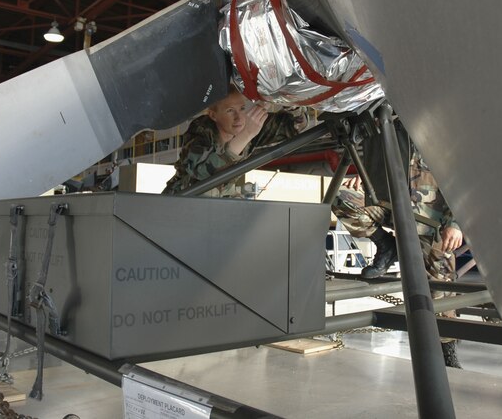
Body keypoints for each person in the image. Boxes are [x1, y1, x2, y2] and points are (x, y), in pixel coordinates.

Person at [332, 116, 465, 368]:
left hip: (431, 221)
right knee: (343, 197)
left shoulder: (442, 130)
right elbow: (370, 156)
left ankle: (447, 350)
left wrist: (455, 224)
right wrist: (363, 177)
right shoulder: (384, 122)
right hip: (390, 206)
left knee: (440, 292)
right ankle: (386, 245)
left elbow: (462, 178)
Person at [163, 84, 306, 197]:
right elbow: (201, 174)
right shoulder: (201, 130)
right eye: (230, 110)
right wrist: (246, 134)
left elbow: (295, 126)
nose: (239, 117)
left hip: (216, 209)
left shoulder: (245, 127)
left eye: (242, 108)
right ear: (213, 116)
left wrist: (288, 101)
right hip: (180, 202)